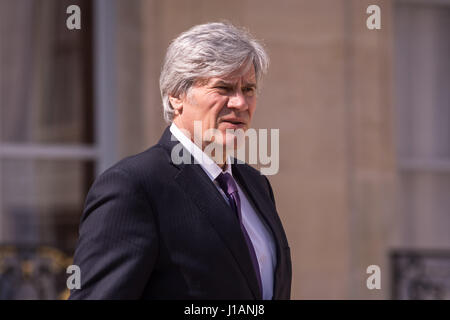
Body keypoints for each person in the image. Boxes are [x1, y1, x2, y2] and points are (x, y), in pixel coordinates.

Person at [69, 22, 291, 300]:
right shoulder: (133, 186)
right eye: (223, 87)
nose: (240, 103)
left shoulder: (256, 185)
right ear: (176, 96)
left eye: (248, 89)